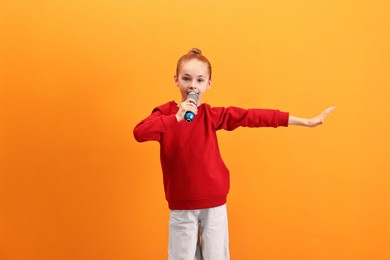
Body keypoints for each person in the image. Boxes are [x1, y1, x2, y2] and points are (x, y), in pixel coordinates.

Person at [133, 48, 335, 260]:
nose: (193, 85)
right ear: (176, 80)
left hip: (214, 203)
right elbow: (140, 132)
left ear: (208, 84)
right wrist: (176, 117)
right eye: (187, 78)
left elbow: (252, 117)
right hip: (182, 206)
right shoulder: (165, 114)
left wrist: (305, 121)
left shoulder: (212, 115)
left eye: (200, 80)